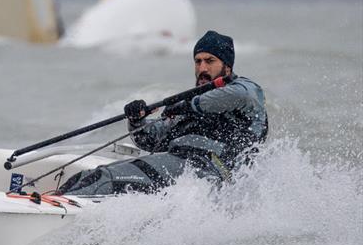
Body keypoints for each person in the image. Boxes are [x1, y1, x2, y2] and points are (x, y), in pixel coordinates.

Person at [59, 30, 268, 196]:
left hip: (208, 172)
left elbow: (240, 96)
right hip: (178, 167)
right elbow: (149, 141)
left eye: (210, 61)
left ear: (227, 67)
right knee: (87, 176)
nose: (202, 67)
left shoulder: (245, 90)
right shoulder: (186, 105)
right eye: (198, 61)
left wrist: (189, 105)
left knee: (103, 179)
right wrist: (137, 120)